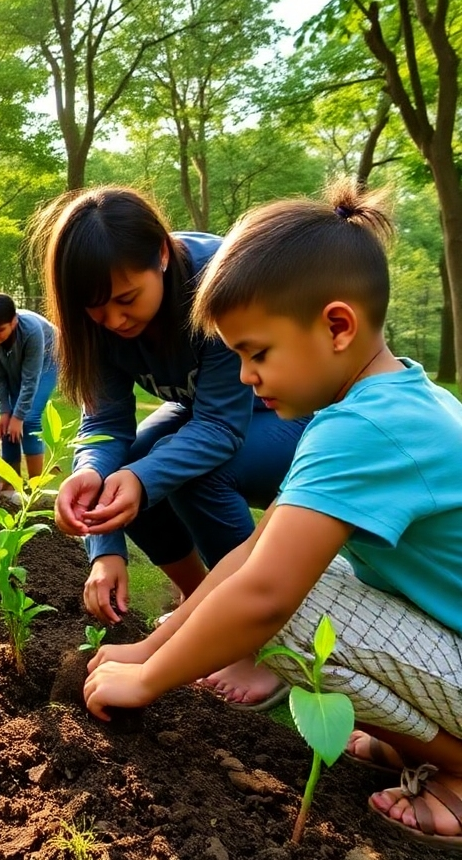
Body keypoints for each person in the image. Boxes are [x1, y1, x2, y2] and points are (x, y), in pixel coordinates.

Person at [83, 186, 462, 849]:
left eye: (257, 353)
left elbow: (264, 595)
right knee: (296, 577)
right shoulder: (383, 400)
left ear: (337, 327)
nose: (246, 377)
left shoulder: (363, 429)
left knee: (288, 610)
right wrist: (145, 648)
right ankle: (422, 742)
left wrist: (147, 680)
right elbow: (253, 550)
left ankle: (455, 765)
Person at [35, 187, 307, 708]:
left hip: (294, 409)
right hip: (212, 412)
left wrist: (141, 477)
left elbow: (220, 428)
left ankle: (259, 642)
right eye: (96, 309)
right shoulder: (95, 326)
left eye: (126, 299)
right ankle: (200, 606)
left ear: (161, 254)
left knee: (187, 473)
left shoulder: (220, 280)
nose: (114, 321)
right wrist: (101, 527)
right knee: (134, 469)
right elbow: (104, 424)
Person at [0, 292, 57, 480]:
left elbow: (30, 378)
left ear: (13, 322)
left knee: (28, 419)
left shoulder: (31, 330)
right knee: (7, 422)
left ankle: (35, 487)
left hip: (48, 360)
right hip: (15, 361)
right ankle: (9, 485)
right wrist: (4, 412)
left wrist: (19, 416)